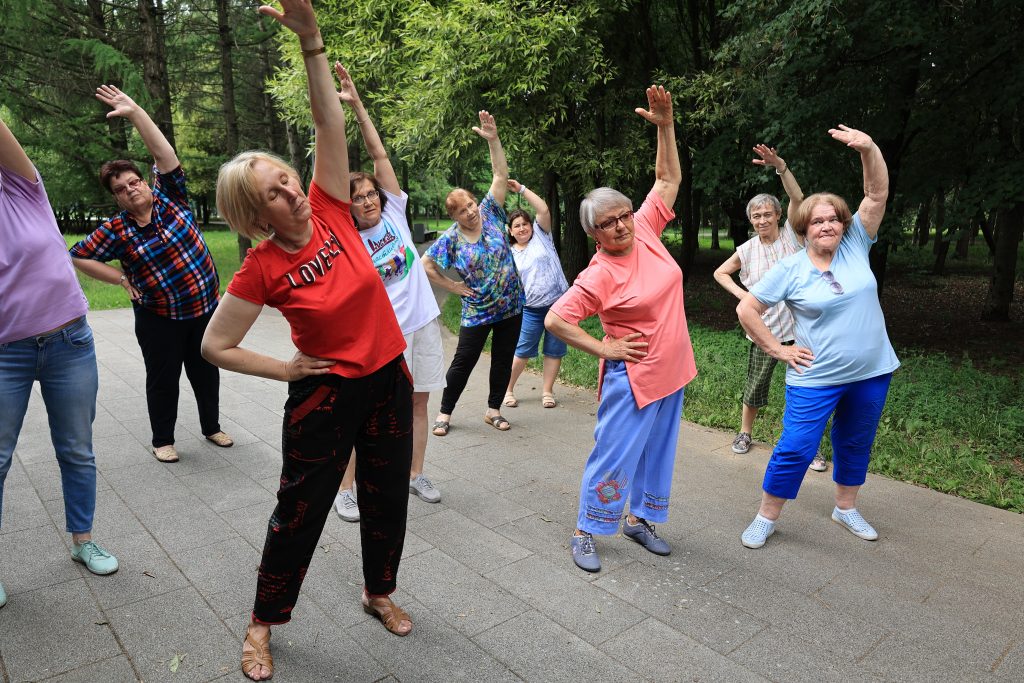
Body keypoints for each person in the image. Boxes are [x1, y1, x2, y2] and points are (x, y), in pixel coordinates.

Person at [200, 2, 413, 679]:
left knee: (387, 495)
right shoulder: (262, 267)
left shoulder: (328, 203)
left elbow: (328, 121)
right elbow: (216, 345)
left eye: (284, 176)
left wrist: (312, 42)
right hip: (325, 396)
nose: (289, 189)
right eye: (272, 190)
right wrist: (288, 369)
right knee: (300, 512)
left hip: (389, 377)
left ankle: (379, 590)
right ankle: (261, 624)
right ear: (251, 210)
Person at [545, 86, 695, 573]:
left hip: (672, 371)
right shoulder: (598, 274)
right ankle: (585, 529)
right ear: (594, 234)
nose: (622, 226)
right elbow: (556, 319)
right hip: (631, 379)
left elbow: (667, 177)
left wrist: (665, 125)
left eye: (624, 215)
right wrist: (603, 346)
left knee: (658, 454)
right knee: (614, 453)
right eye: (609, 223)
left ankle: (640, 520)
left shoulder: (647, 228)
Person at [736, 125, 898, 550]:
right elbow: (746, 309)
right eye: (817, 220)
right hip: (816, 376)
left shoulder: (855, 246)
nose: (827, 225)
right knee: (796, 447)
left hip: (872, 371)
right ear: (803, 228)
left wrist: (869, 148)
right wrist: (777, 349)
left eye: (833, 219)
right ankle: (766, 516)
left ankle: (846, 508)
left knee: (855, 442)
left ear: (844, 225)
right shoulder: (790, 269)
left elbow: (876, 195)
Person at [70, 85, 232, 464]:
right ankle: (163, 439)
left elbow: (165, 154)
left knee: (206, 372)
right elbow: (78, 255)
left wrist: (134, 112)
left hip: (206, 309)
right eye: (121, 189)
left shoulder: (171, 198)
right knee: (163, 379)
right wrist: (120, 280)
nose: (131, 190)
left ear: (145, 181)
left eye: (134, 182)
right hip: (159, 318)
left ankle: (212, 427)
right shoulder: (117, 230)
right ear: (116, 198)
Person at [0, 116, 119, 609]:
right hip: (5, 353)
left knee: (76, 448)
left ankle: (83, 540)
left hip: (68, 342)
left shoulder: (21, 188)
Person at [331, 62, 445, 522]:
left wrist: (358, 107)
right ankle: (346, 488)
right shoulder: (346, 239)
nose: (368, 199)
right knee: (364, 414)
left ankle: (415, 474)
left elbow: (379, 156)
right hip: (381, 338)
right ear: (348, 206)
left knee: (420, 402)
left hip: (423, 325)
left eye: (371, 193)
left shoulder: (395, 213)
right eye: (357, 197)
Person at [713, 145, 827, 472]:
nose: (762, 219)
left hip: (800, 331)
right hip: (763, 334)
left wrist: (781, 167)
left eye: (767, 214)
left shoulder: (793, 237)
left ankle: (811, 447)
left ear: (778, 215)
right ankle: (745, 433)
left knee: (807, 392)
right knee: (755, 386)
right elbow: (720, 272)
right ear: (750, 220)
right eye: (756, 216)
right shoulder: (746, 249)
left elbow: (797, 197)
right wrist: (743, 298)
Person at [421, 112, 524, 435]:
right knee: (463, 362)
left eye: (470, 205)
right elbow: (426, 264)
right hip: (477, 311)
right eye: (462, 210)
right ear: (454, 216)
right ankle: (445, 413)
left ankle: (494, 410)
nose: (470, 212)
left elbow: (499, 172)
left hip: (511, 306)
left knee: (503, 360)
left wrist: (493, 140)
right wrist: (452, 286)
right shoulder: (450, 238)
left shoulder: (490, 212)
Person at [502, 178, 569, 409]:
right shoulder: (509, 253)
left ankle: (547, 391)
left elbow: (543, 209)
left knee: (554, 349)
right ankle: (507, 390)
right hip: (530, 309)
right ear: (510, 231)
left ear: (531, 225)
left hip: (559, 306)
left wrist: (520, 189)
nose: (522, 228)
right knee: (522, 350)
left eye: (525, 224)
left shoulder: (542, 235)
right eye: (516, 226)